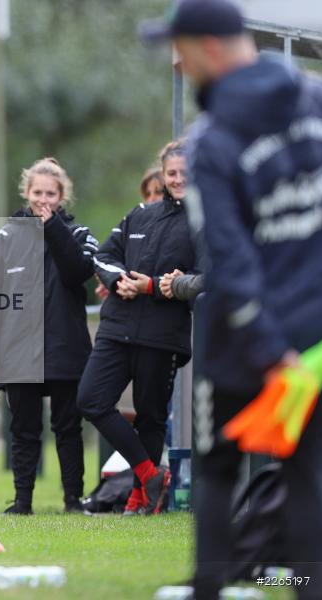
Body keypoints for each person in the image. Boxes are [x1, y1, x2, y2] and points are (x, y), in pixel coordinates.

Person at [143, 0, 322, 597]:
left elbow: (228, 254)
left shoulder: (212, 139)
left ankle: (209, 589)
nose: (177, 63)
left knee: (218, 469)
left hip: (244, 341)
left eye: (183, 50)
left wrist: (268, 348)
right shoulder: (321, 102)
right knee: (308, 476)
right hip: (316, 340)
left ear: (212, 49)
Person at [77, 139, 197, 515]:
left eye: (184, 173)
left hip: (162, 336)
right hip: (117, 328)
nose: (177, 179)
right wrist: (118, 282)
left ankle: (140, 497)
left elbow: (206, 278)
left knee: (151, 417)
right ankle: (149, 473)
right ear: (163, 175)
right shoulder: (139, 215)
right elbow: (104, 255)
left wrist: (158, 285)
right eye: (171, 173)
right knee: (91, 400)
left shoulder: (206, 222)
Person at [0, 158, 96, 515]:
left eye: (51, 194)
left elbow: (78, 274)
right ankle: (22, 502)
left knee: (68, 429)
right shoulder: (5, 240)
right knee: (23, 431)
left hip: (66, 348)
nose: (43, 199)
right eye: (37, 192)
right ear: (26, 193)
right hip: (17, 352)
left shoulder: (79, 235)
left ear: (62, 197)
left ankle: (73, 500)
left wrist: (53, 228)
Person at [94, 167, 164, 300]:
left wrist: (151, 285)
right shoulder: (133, 220)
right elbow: (105, 256)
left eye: (159, 192)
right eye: (147, 194)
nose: (152, 199)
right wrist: (117, 281)